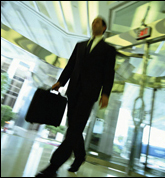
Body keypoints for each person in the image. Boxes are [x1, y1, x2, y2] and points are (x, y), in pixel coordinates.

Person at [35, 16, 116, 177]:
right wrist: (60, 82)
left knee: (74, 129)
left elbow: (109, 73)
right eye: (93, 22)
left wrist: (105, 93)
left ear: (104, 28)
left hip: (89, 93)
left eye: (98, 22)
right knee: (74, 127)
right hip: (73, 91)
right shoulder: (80, 45)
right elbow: (71, 65)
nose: (94, 24)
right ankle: (80, 156)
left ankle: (53, 166)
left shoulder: (108, 50)